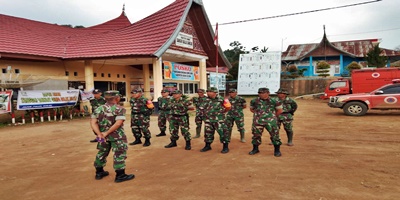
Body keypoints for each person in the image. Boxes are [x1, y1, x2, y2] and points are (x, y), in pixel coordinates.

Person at [90, 90, 135, 183]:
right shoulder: (119, 109)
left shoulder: (98, 109)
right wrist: (106, 133)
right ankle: (120, 175)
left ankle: (99, 172)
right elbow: (118, 123)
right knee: (119, 154)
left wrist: (99, 134)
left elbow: (93, 122)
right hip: (117, 137)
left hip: (102, 137)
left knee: (102, 152)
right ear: (117, 98)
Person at [249, 87, 283, 157]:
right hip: (258, 121)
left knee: (274, 135)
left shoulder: (275, 101)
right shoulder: (254, 101)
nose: (261, 94)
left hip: (271, 121)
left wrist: (272, 117)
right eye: (259, 93)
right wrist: (258, 115)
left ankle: (277, 150)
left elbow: (279, 111)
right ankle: (255, 149)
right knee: (256, 135)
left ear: (268, 93)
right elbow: (252, 109)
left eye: (263, 93)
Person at [200, 87, 231, 153]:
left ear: (214, 92)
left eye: (210, 92)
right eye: (207, 92)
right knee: (208, 133)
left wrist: (222, 112)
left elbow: (228, 107)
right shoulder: (204, 99)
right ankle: (207, 146)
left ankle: (225, 147)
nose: (208, 93)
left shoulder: (223, 99)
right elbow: (202, 108)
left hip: (219, 120)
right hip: (208, 120)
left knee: (223, 133)